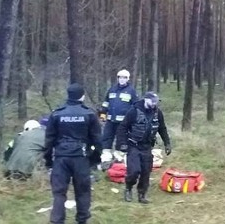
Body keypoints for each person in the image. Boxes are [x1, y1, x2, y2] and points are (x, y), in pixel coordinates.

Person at [44, 83, 102, 224]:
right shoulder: (89, 114)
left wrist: (48, 160)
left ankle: (57, 221)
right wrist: (94, 158)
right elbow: (97, 140)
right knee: (83, 191)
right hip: (80, 158)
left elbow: (49, 140)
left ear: (68, 95)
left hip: (61, 157)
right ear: (82, 96)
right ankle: (82, 220)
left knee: (59, 193)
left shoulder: (57, 113)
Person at [116, 92, 171, 204]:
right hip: (133, 145)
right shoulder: (134, 111)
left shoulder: (157, 113)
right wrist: (122, 143)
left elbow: (162, 128)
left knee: (146, 171)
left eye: (156, 102)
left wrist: (167, 143)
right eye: (152, 101)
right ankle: (128, 188)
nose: (154, 104)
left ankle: (142, 194)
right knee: (134, 171)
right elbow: (122, 127)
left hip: (147, 146)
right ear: (146, 100)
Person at [99, 69, 138, 164]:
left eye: (124, 77)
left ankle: (119, 160)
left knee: (121, 141)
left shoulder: (131, 91)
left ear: (128, 79)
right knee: (106, 138)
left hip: (123, 123)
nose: (122, 79)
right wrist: (103, 113)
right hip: (110, 120)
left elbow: (136, 106)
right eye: (120, 77)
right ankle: (106, 159)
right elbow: (106, 103)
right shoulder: (112, 89)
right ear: (118, 78)